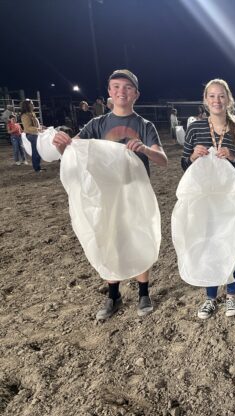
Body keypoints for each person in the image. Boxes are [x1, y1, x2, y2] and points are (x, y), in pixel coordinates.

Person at [52, 69, 168, 320]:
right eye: (116, 87)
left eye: (127, 87)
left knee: (139, 236)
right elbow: (76, 151)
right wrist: (63, 147)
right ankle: (113, 293)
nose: (121, 92)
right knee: (108, 237)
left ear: (136, 94)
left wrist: (146, 150)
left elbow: (163, 160)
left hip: (135, 191)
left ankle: (143, 292)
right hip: (106, 194)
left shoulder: (144, 125)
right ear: (109, 93)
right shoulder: (97, 124)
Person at [181, 79, 235, 320]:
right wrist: (192, 157)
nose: (216, 100)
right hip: (205, 200)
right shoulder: (195, 129)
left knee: (231, 244)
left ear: (228, 99)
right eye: (212, 96)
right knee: (208, 244)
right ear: (206, 100)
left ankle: (232, 295)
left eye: (221, 96)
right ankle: (210, 297)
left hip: (233, 199)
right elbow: (184, 165)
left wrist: (234, 156)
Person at [20, 99, 44, 172]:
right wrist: (38, 129)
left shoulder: (31, 113)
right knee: (36, 151)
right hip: (31, 135)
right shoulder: (25, 115)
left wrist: (41, 127)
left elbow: (35, 125)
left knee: (38, 150)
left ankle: (38, 167)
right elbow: (27, 127)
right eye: (32, 103)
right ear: (27, 105)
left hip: (35, 134)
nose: (33, 105)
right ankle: (37, 168)